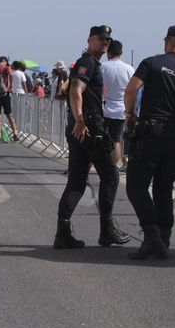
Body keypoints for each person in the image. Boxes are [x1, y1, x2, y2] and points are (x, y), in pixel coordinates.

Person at [123, 25, 175, 260]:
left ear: (166, 41)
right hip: (174, 136)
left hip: (150, 134)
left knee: (136, 187)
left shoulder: (152, 63)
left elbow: (131, 90)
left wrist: (129, 115)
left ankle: (152, 236)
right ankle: (164, 239)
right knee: (163, 190)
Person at [54, 26, 131, 249]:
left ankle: (63, 232)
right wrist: (80, 120)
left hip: (81, 128)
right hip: (89, 130)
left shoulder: (91, 63)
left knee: (77, 181)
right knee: (111, 177)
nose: (105, 43)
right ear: (89, 40)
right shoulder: (87, 62)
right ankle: (107, 230)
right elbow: (75, 90)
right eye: (100, 39)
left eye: (107, 40)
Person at [99, 39, 135, 167]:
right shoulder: (129, 69)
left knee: (97, 139)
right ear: (121, 52)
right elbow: (133, 90)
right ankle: (112, 167)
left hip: (104, 108)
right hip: (121, 110)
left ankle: (93, 167)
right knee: (116, 140)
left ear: (108, 52)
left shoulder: (103, 67)